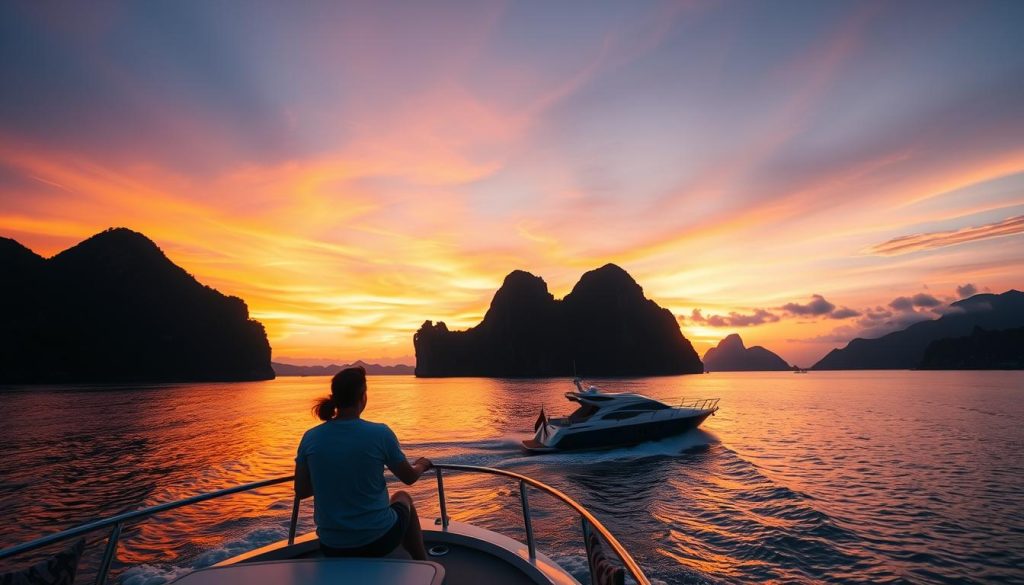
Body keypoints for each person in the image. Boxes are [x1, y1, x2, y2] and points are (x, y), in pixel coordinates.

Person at [294, 366, 433, 560]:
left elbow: (301, 490)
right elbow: (408, 477)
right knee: (402, 496)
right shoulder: (380, 433)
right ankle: (423, 561)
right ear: (363, 397)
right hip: (378, 540)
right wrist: (422, 465)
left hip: (332, 546)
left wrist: (332, 476)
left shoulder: (311, 437)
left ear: (335, 397)